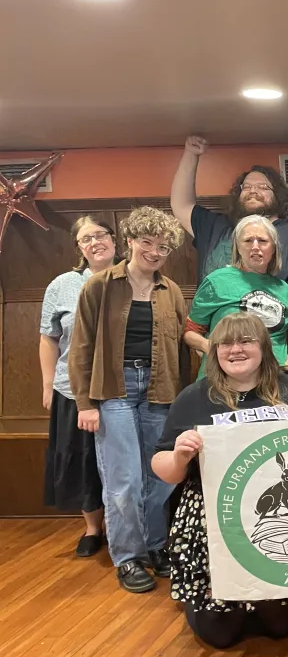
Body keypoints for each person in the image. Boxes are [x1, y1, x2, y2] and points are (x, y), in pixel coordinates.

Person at [152, 313, 288, 648]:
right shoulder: (193, 397)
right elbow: (163, 467)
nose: (235, 349)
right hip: (213, 518)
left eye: (246, 341)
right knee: (219, 634)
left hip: (272, 518)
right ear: (214, 350)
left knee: (280, 626)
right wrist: (180, 456)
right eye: (226, 343)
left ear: (264, 347)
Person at [68, 207, 187, 594]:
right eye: (148, 243)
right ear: (131, 241)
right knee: (124, 480)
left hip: (160, 390)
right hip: (114, 389)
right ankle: (129, 557)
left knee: (160, 476)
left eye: (164, 247)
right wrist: (85, 404)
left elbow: (182, 351)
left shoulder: (171, 293)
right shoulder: (100, 285)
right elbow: (81, 347)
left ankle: (156, 546)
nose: (155, 252)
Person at [39, 216, 117, 556]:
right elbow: (48, 338)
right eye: (86, 238)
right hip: (72, 390)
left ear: (116, 240)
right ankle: (92, 528)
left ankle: (122, 528)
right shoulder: (62, 285)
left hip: (120, 389)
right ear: (79, 248)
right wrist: (46, 385)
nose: (95, 242)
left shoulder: (133, 279)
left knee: (119, 461)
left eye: (101, 234)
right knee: (80, 460)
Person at [170, 135, 288, 295]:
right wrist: (191, 154)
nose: (253, 191)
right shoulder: (216, 226)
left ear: (278, 196)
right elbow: (181, 205)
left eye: (263, 187)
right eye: (246, 187)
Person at [184, 215, 288, 377]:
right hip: (222, 378)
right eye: (248, 241)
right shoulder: (217, 281)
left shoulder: (286, 291)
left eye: (262, 241)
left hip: (271, 381)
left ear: (273, 248)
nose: (255, 247)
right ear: (237, 247)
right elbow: (190, 332)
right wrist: (212, 347)